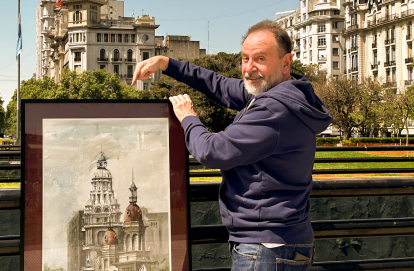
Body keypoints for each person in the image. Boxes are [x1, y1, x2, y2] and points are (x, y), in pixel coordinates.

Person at [133, 20, 332, 271]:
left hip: (265, 248)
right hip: (283, 242)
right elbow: (220, 85)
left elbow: (212, 151)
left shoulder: (273, 109)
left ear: (285, 63)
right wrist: (167, 64)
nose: (249, 68)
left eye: (260, 58)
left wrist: (188, 117)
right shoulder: (286, 95)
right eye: (245, 58)